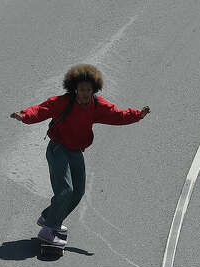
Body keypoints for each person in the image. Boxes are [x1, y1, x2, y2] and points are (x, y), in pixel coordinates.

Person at [10, 64, 151, 245]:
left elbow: (117, 116)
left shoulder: (97, 105)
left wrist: (137, 115)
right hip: (58, 149)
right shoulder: (64, 102)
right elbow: (42, 109)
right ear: (74, 88)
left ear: (94, 90)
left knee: (78, 192)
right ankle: (48, 230)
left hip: (76, 151)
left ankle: (48, 218)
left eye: (89, 90)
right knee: (65, 190)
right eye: (82, 89)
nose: (85, 93)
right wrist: (24, 116)